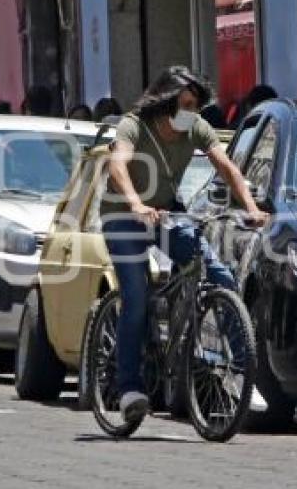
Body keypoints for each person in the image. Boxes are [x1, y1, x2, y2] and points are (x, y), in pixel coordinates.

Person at [100, 65, 269, 423]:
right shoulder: (134, 124)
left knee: (219, 275)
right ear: (164, 102)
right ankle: (130, 387)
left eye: (195, 105)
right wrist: (135, 203)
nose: (190, 112)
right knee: (136, 297)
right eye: (184, 104)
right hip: (123, 215)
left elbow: (227, 167)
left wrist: (251, 208)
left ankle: (241, 373)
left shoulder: (195, 127)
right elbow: (118, 165)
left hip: (165, 213)